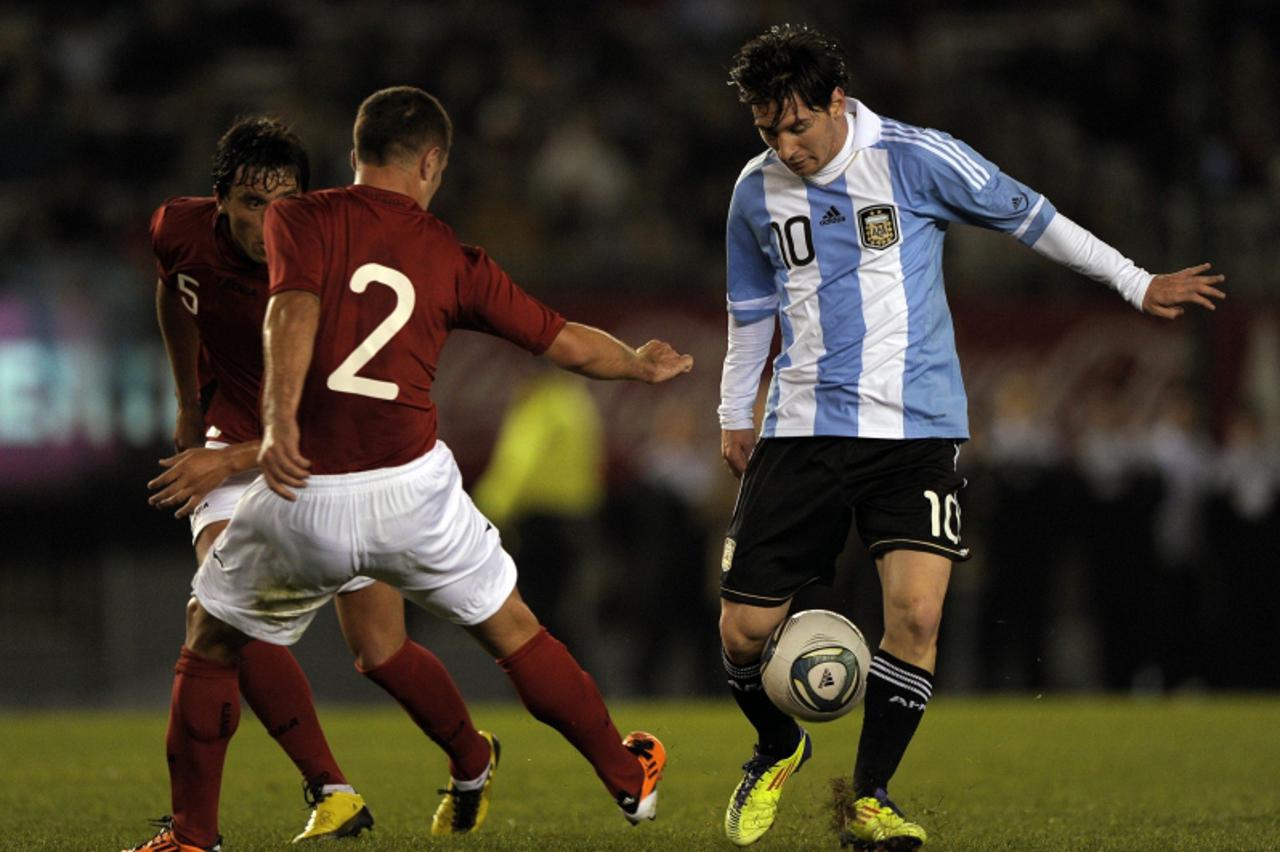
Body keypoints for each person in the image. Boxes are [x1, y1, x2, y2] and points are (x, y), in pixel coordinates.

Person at [127, 86, 688, 852]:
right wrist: (634, 363)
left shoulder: (303, 218)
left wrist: (279, 422)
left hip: (304, 489)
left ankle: (194, 836)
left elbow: (288, 310)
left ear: (353, 154)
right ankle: (626, 779)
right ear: (432, 163)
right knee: (516, 631)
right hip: (411, 493)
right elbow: (561, 341)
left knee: (212, 638)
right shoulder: (455, 258)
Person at [714, 24, 1226, 850]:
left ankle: (871, 796)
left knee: (916, 614)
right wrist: (734, 411)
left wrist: (1135, 282)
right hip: (800, 428)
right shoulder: (755, 190)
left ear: (837, 103)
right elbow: (749, 311)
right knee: (741, 631)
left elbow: (1035, 217)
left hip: (915, 429)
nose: (785, 145)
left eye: (797, 125)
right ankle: (777, 746)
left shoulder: (919, 158)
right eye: (767, 130)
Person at [136, 116, 499, 849]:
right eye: (248, 203)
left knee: (380, 650)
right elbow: (175, 293)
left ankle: (471, 756)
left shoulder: (329, 256)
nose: (267, 221)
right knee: (220, 605)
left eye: (283, 203)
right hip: (234, 435)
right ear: (218, 202)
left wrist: (227, 458)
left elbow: (331, 404)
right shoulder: (177, 229)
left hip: (336, 451)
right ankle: (328, 789)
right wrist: (188, 403)